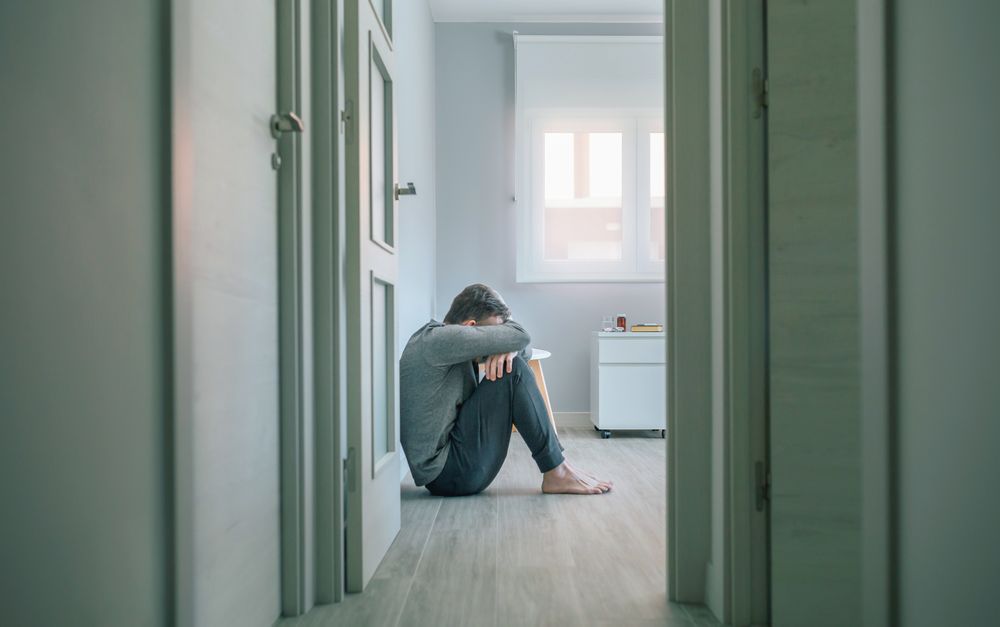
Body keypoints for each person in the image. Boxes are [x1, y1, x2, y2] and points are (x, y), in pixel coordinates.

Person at [400, 283, 612, 496]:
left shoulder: (446, 339)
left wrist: (509, 351)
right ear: (469, 327)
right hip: (450, 474)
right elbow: (521, 335)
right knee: (515, 371)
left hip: (451, 467)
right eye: (496, 333)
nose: (499, 338)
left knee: (514, 364)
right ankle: (556, 470)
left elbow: (523, 347)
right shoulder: (442, 340)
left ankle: (559, 466)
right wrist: (510, 344)